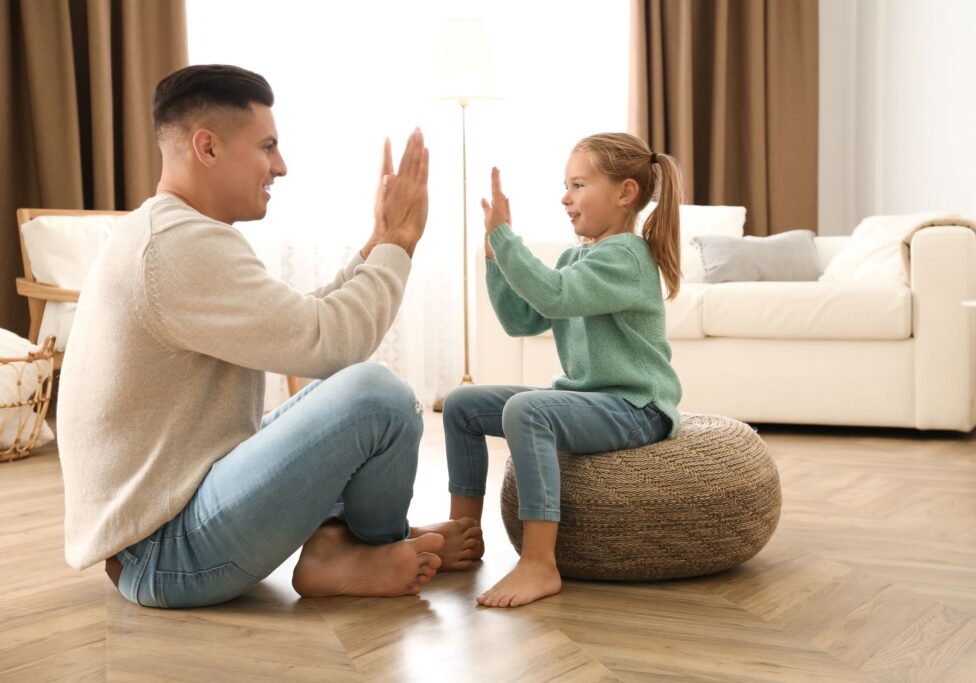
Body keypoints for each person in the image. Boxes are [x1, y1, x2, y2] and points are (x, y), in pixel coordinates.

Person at [56, 64, 481, 609]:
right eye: (267, 146)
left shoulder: (172, 232)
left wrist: (379, 240)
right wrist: (399, 239)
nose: (280, 166)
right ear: (206, 147)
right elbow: (333, 343)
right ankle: (367, 548)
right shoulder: (175, 247)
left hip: (172, 523)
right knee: (379, 396)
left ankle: (344, 549)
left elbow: (306, 322)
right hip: (166, 556)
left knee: (360, 396)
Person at [442, 133, 684, 607]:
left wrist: (505, 238)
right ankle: (463, 535)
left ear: (625, 193)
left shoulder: (627, 257)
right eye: (565, 185)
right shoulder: (579, 256)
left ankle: (539, 562)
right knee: (461, 405)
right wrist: (496, 257)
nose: (565, 196)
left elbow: (553, 293)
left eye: (577, 184)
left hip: (636, 407)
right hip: (592, 401)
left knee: (527, 411)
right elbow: (523, 319)